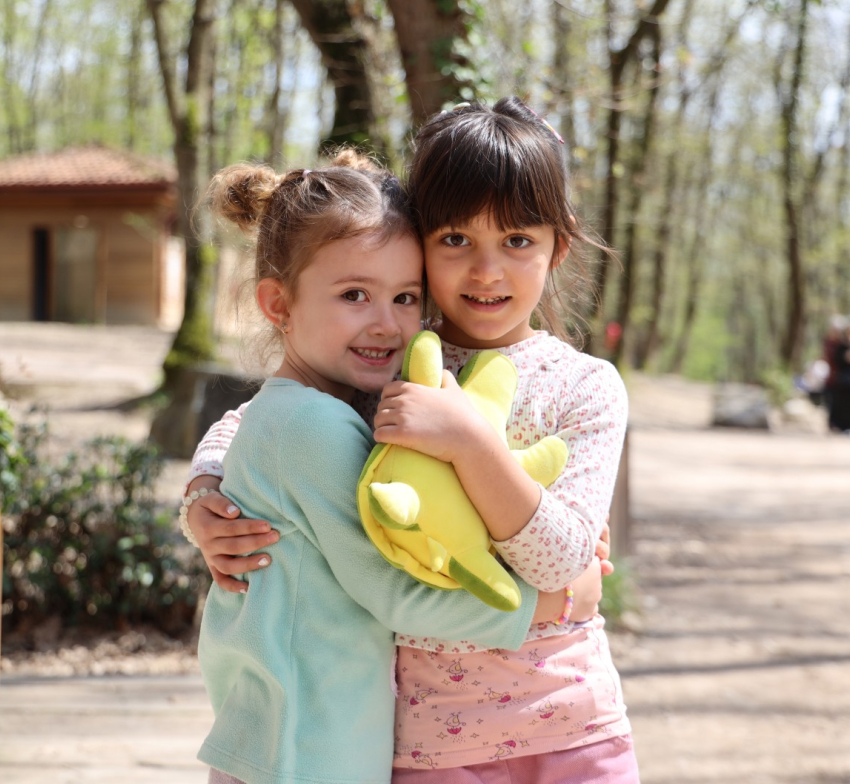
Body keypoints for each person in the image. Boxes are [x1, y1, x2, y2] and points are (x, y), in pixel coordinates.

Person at [185, 98, 638, 781]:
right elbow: (264, 423)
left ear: (558, 247)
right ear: (421, 242)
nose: (487, 271)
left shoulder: (586, 386)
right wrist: (206, 494)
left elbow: (563, 562)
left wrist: (469, 444)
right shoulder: (387, 362)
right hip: (428, 743)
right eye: (455, 239)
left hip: (572, 725)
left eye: (517, 241)